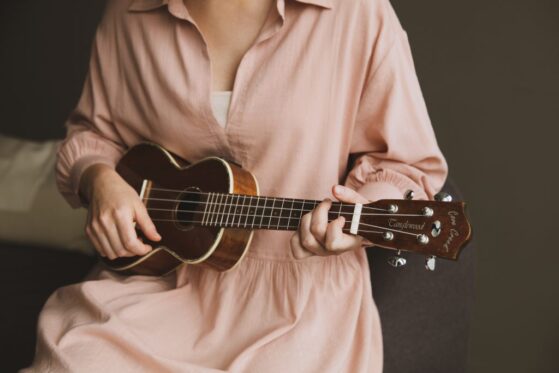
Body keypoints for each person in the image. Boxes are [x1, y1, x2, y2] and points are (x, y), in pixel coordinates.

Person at [23, 0, 447, 371]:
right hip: (156, 282)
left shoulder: (356, 12)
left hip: (295, 301)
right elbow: (91, 134)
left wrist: (356, 219)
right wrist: (99, 180)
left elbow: (405, 165)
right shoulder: (129, 12)